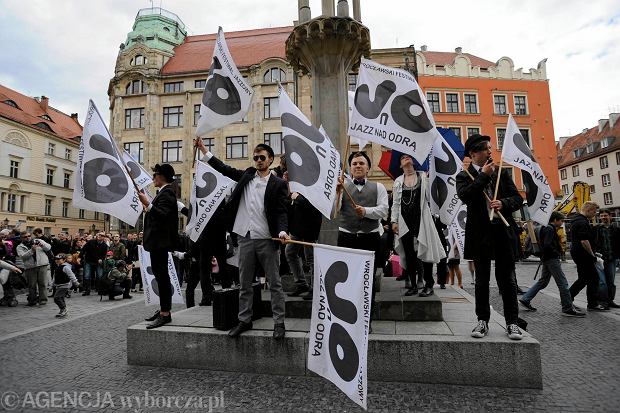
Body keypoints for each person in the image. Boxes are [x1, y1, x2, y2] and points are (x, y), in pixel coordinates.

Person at [196, 138, 289, 339]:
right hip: (245, 237)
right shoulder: (247, 176)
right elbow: (224, 168)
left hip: (267, 239)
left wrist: (282, 231)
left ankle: (279, 323)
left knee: (274, 283)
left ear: (270, 159)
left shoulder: (279, 184)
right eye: (255, 157)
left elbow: (282, 212)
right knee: (244, 282)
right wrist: (204, 150)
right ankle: (244, 319)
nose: (258, 160)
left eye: (262, 157)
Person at [456, 134, 524, 340]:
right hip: (480, 234)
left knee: (507, 280)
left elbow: (518, 199)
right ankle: (482, 320)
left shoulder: (501, 173)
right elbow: (466, 196)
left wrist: (503, 203)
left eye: (490, 149)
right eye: (486, 149)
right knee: (481, 280)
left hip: (502, 231)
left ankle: (512, 322)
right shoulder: (464, 176)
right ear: (474, 153)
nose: (490, 152)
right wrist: (483, 176)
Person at [337, 152, 389, 324]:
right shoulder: (342, 185)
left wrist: (366, 211)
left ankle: (367, 318)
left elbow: (383, 210)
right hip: (346, 237)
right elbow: (333, 212)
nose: (358, 166)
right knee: (347, 278)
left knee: (368, 278)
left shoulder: (379, 187)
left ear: (368, 167)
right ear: (350, 168)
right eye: (354, 163)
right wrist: (337, 193)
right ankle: (350, 317)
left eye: (361, 163)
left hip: (370, 238)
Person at [391, 153, 445, 297]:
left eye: (408, 157)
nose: (406, 158)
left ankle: (429, 284)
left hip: (421, 219)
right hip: (405, 221)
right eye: (403, 158)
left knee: (425, 251)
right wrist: (394, 221)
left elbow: (431, 198)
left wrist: (430, 179)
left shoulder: (423, 177)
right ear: (400, 165)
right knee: (409, 254)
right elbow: (396, 203)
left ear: (414, 161)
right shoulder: (397, 181)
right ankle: (413, 286)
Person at [138, 163, 180, 329]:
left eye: (155, 175)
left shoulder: (167, 193)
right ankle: (164, 310)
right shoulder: (164, 193)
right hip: (158, 242)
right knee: (160, 275)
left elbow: (162, 215)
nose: (153, 178)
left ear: (161, 176)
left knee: (162, 277)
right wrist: (148, 207)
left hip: (160, 243)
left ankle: (165, 313)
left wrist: (148, 204)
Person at [519, 212, 585, 316]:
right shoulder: (549, 228)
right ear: (555, 220)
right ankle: (567, 307)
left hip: (546, 258)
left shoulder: (544, 227)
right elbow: (547, 244)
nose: (562, 222)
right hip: (551, 259)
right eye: (561, 220)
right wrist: (556, 253)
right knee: (562, 283)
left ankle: (526, 299)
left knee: (543, 281)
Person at [569, 202, 608, 311]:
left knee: (585, 278)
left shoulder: (576, 219)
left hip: (578, 253)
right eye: (594, 212)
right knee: (591, 278)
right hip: (583, 255)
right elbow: (584, 240)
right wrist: (592, 255)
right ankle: (589, 303)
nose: (595, 214)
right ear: (588, 210)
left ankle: (570, 299)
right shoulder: (582, 222)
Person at [285, 189, 323, 300]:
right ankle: (301, 284)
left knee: (311, 258)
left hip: (311, 228)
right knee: (290, 252)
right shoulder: (298, 185)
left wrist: (298, 198)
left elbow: (314, 207)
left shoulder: (316, 186)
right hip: (298, 227)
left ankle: (315, 288)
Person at [16, 231, 52, 306]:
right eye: (25, 237)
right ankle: (32, 300)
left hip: (42, 265)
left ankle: (43, 300)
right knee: (32, 285)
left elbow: (48, 247)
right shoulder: (19, 247)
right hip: (30, 267)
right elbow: (23, 257)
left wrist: (42, 245)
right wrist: (32, 250)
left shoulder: (38, 241)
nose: (28, 238)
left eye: (29, 236)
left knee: (42, 284)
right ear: (21, 238)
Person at [595, 209, 619, 308]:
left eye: (605, 215)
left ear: (610, 216)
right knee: (601, 282)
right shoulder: (596, 229)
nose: (604, 217)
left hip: (612, 258)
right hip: (600, 259)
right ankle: (602, 302)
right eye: (602, 216)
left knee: (611, 281)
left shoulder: (616, 229)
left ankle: (610, 301)